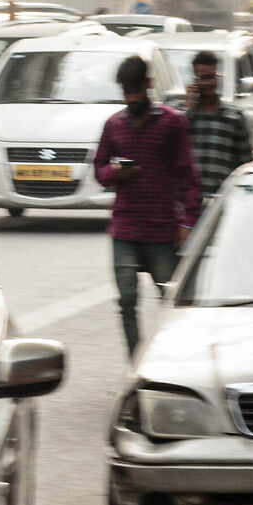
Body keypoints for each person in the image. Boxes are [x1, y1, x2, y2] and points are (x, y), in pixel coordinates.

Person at [93, 54, 200, 354]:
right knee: (126, 301)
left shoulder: (173, 123)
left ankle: (174, 362)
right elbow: (99, 170)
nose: (132, 97)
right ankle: (136, 366)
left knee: (171, 302)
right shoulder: (113, 125)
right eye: (127, 92)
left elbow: (189, 177)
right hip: (125, 231)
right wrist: (115, 172)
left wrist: (188, 223)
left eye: (137, 90)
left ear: (149, 84)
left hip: (163, 232)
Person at [183, 48, 251, 206]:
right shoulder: (184, 116)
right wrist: (190, 110)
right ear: (194, 80)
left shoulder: (234, 116)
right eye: (203, 78)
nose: (208, 84)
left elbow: (245, 165)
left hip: (220, 204)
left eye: (212, 77)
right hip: (190, 204)